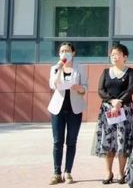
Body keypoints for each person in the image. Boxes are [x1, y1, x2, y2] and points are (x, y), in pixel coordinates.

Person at [92, 43, 133, 185]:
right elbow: (101, 90)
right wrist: (112, 101)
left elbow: (130, 89)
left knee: (122, 141)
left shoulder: (130, 72)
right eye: (112, 54)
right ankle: (108, 172)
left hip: (125, 111)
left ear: (125, 57)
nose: (114, 57)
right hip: (108, 111)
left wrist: (120, 102)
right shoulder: (106, 72)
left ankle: (121, 172)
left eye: (117, 54)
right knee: (108, 141)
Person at [47, 42, 88, 185]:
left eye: (67, 50)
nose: (65, 53)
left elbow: (85, 87)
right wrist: (59, 68)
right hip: (57, 110)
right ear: (59, 54)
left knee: (71, 141)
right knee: (57, 141)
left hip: (74, 109)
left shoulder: (80, 68)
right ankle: (56, 173)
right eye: (62, 51)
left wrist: (79, 88)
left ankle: (68, 172)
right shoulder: (54, 68)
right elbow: (53, 85)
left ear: (73, 53)